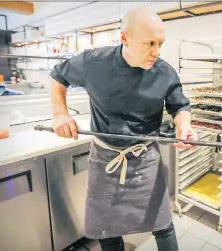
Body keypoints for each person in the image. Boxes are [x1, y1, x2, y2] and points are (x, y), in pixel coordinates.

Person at [49, 7, 197, 251]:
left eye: (160, 43)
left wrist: (185, 126)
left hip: (145, 159)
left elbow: (180, 105)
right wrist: (59, 113)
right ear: (125, 38)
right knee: (108, 230)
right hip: (105, 159)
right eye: (149, 43)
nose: (156, 52)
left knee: (163, 225)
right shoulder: (93, 63)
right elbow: (57, 77)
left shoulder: (165, 72)